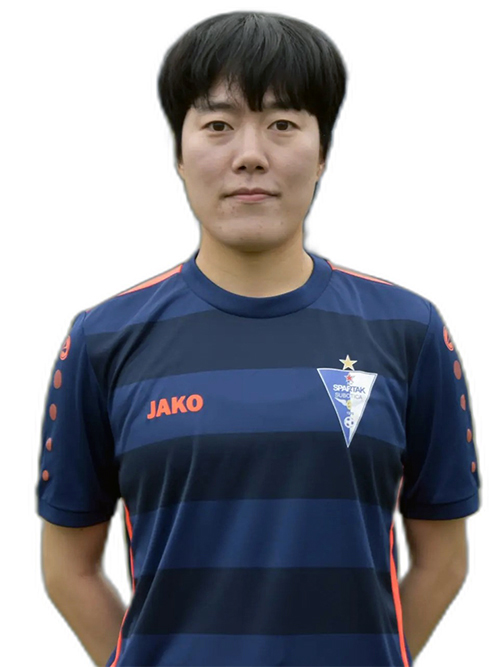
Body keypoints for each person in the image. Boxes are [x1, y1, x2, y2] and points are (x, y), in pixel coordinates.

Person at [36, 10, 481, 667]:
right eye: (218, 125)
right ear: (178, 153)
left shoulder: (409, 330)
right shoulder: (103, 340)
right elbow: (67, 566)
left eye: (282, 124)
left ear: (323, 151)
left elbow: (444, 557)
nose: (250, 154)